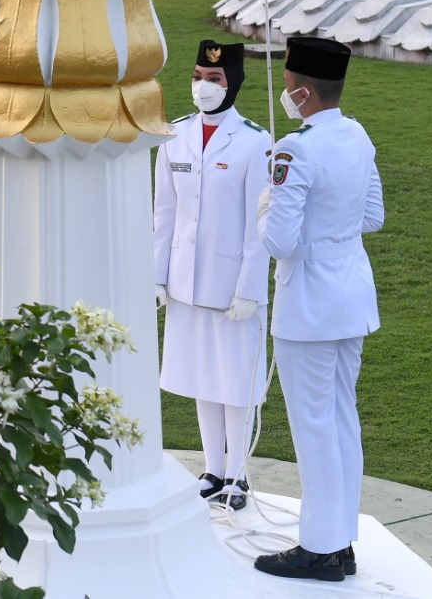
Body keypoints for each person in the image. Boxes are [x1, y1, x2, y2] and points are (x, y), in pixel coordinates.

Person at [252, 37, 384, 584]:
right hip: (351, 294)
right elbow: (372, 216)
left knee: (313, 427)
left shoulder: (296, 149)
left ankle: (320, 547)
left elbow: (278, 241)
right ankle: (340, 539)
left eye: (287, 87)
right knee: (340, 420)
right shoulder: (357, 135)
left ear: (303, 91)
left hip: (309, 301)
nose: (286, 95)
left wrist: (265, 208)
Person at [153, 40, 271, 510]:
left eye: (215, 79)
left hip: (230, 285)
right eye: (199, 76)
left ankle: (239, 474)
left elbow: (257, 226)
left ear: (234, 83)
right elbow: (164, 211)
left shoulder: (255, 142)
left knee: (235, 381)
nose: (203, 86)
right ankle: (213, 468)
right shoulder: (174, 134)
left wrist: (249, 288)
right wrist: (157, 276)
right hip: (186, 279)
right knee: (203, 376)